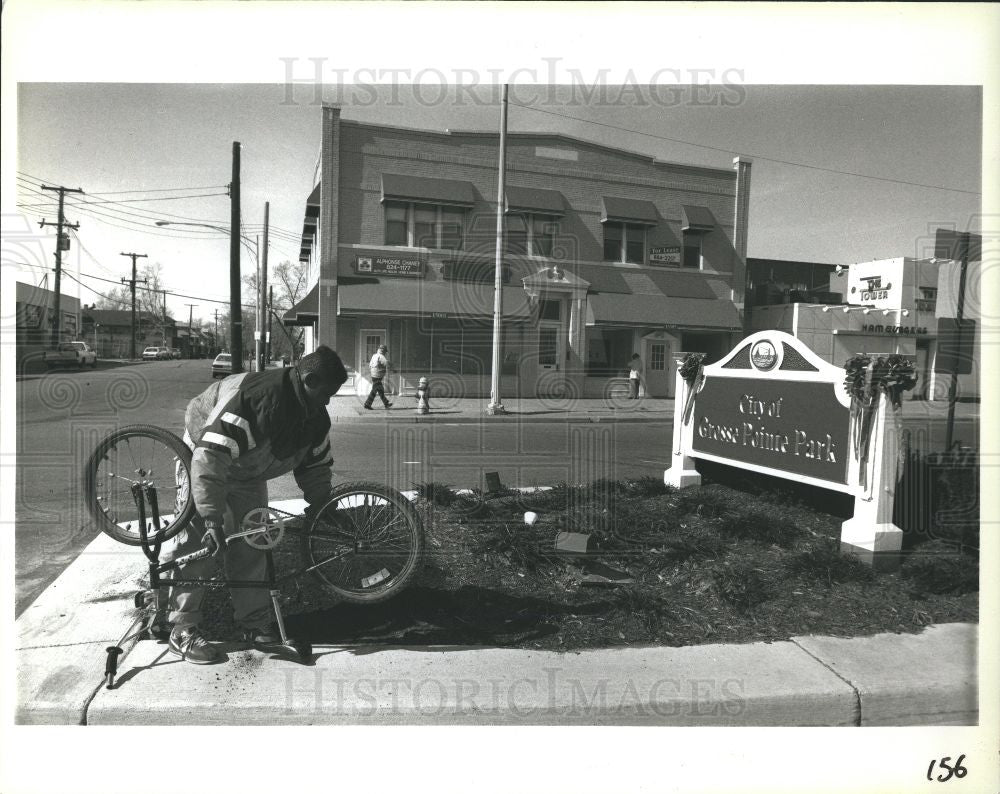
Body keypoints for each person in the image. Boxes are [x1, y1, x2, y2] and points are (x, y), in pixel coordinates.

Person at [163, 345, 348, 664]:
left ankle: (254, 623)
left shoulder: (314, 417)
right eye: (327, 393)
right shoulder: (257, 401)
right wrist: (211, 519)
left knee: (253, 540)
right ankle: (181, 629)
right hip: (206, 457)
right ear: (310, 379)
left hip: (246, 470)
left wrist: (323, 507)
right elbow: (210, 458)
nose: (328, 401)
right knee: (199, 547)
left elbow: (315, 467)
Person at [364, 343, 392, 410]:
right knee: (375, 390)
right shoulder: (381, 356)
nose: (385, 352)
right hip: (378, 375)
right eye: (385, 351)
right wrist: (391, 365)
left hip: (373, 375)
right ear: (383, 350)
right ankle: (367, 404)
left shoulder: (374, 355)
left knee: (380, 389)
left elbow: (370, 365)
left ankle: (386, 403)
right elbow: (386, 364)